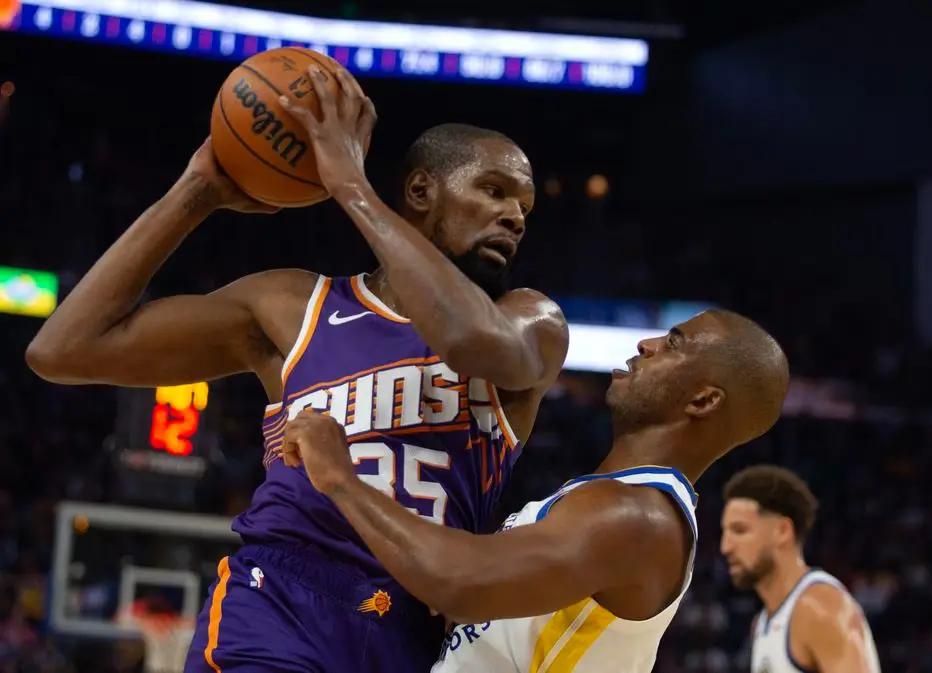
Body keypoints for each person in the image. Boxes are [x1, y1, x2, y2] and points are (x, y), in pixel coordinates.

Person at [26, 65, 568, 672]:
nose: (516, 216)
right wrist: (193, 194)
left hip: (414, 626)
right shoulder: (293, 306)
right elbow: (64, 350)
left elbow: (467, 340)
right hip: (280, 596)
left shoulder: (530, 322)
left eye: (524, 206)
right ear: (420, 193)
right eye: (494, 191)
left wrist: (349, 187)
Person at [281, 309, 790, 672]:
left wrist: (341, 479)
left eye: (674, 343)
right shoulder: (604, 502)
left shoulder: (638, 517)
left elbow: (459, 582)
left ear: (703, 400)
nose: (647, 344)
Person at [721, 465, 882, 673]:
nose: (725, 547)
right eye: (724, 532)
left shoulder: (821, 607)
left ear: (782, 531)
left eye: (740, 530)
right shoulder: (762, 623)